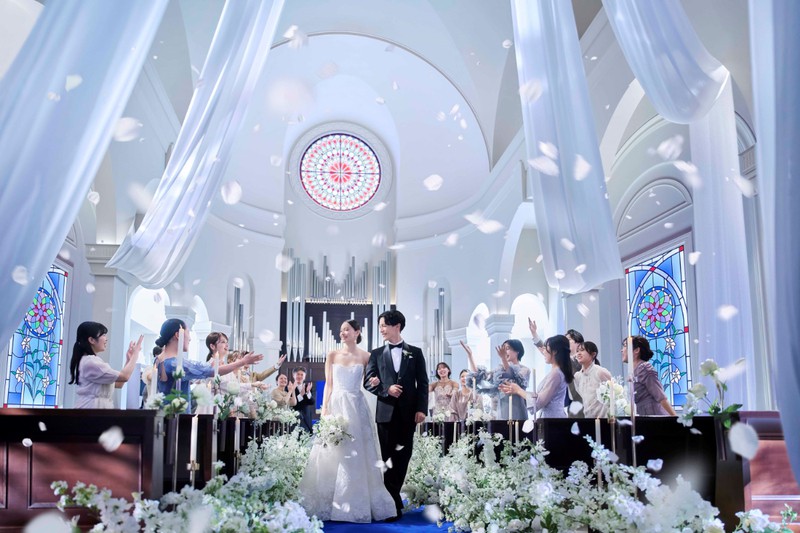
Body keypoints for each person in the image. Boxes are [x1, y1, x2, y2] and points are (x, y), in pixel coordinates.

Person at [300, 320, 396, 523]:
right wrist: (325, 408)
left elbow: (371, 382)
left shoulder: (366, 356)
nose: (342, 333)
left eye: (347, 329)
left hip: (356, 405)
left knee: (356, 451)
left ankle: (354, 502)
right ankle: (328, 502)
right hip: (336, 404)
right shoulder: (332, 355)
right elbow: (329, 384)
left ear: (357, 332)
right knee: (332, 450)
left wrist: (376, 381)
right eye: (341, 329)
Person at [364, 309, 428, 521]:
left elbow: (423, 383)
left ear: (397, 326)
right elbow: (368, 382)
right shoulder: (375, 354)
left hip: (409, 414)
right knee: (387, 457)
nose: (381, 329)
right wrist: (385, 389)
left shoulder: (415, 353)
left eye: (384, 325)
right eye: (380, 326)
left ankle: (393, 497)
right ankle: (392, 502)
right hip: (385, 414)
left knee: (403, 456)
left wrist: (421, 409)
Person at [153, 319, 262, 413]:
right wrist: (242, 362)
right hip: (177, 417)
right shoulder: (174, 363)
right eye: (188, 333)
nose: (190, 338)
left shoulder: (158, 360)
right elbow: (212, 371)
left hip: (165, 414)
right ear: (178, 335)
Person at [69, 321, 143, 409]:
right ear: (92, 340)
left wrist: (129, 359)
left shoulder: (92, 360)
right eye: (103, 335)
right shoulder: (91, 362)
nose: (106, 339)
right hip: (91, 408)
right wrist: (136, 354)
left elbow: (119, 384)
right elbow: (124, 377)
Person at [500, 334, 573, 418]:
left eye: (545, 348)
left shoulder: (556, 373)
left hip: (552, 418)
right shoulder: (558, 371)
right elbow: (539, 396)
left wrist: (518, 390)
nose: (543, 351)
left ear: (555, 351)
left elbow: (539, 402)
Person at [461, 338, 530, 420]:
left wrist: (503, 359)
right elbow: (481, 376)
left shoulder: (524, 370)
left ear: (517, 351)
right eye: (503, 349)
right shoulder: (499, 371)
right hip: (502, 411)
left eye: (507, 348)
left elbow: (511, 376)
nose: (504, 352)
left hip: (517, 410)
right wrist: (470, 355)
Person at [622, 336, 678, 416]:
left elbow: (660, 396)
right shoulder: (634, 370)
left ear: (636, 350)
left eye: (625, 346)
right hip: (643, 415)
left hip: (654, 416)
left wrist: (675, 419)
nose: (622, 350)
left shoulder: (644, 368)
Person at [572, 341, 612, 418]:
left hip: (604, 418)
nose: (579, 353)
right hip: (588, 417)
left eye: (582, 350)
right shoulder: (577, 376)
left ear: (593, 354)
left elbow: (614, 394)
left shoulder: (600, 372)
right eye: (577, 351)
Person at [291, 366, 315, 431]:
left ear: (304, 376)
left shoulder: (308, 387)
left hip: (307, 418)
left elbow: (312, 402)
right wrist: (301, 395)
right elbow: (293, 404)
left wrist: (308, 392)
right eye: (298, 374)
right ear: (293, 375)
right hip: (295, 418)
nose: (300, 376)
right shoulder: (290, 387)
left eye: (302, 375)